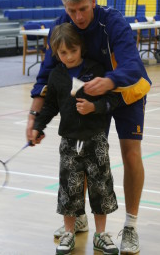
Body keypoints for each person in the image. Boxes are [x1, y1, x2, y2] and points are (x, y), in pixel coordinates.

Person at [27, 0, 152, 254]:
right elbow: (47, 71)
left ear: (93, 1)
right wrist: (34, 117)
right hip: (93, 95)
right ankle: (78, 217)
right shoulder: (62, 24)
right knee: (85, 150)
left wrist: (109, 81)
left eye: (83, 9)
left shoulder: (113, 22)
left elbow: (133, 65)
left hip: (127, 90)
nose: (78, 17)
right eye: (72, 11)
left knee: (130, 153)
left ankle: (130, 226)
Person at [31, 23, 119, 255]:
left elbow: (113, 101)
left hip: (96, 139)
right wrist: (38, 127)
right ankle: (69, 233)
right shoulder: (56, 76)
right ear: (56, 53)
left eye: (73, 51)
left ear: (81, 47)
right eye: (63, 53)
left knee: (101, 187)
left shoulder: (96, 69)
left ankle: (101, 235)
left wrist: (94, 107)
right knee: (69, 189)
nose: (69, 56)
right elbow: (49, 106)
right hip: (69, 141)